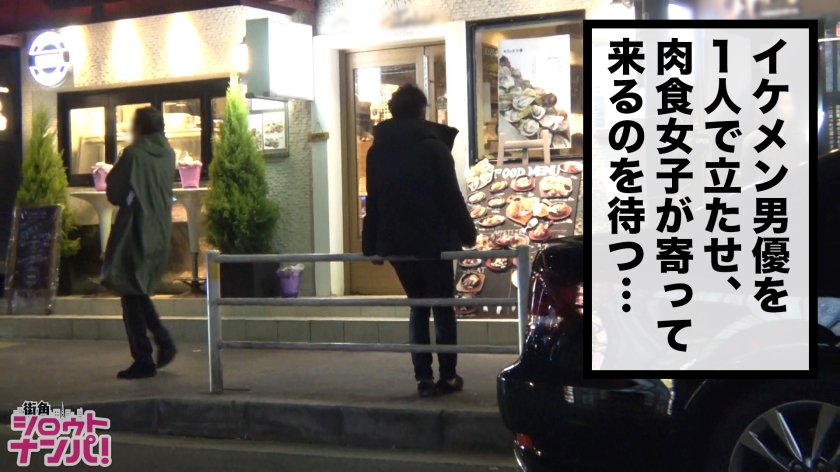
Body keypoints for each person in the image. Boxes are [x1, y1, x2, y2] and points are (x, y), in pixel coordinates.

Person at [362, 84, 477, 397]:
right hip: (434, 241)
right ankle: (448, 376)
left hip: (396, 242)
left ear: (393, 112)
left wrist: (371, 244)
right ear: (422, 112)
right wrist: (467, 233)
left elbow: (374, 200)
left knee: (417, 305)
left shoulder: (377, 150)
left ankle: (423, 379)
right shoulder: (433, 147)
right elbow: (451, 196)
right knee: (442, 305)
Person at [102, 106, 177, 379]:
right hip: (161, 229)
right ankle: (162, 341)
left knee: (130, 292)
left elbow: (114, 192)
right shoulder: (169, 154)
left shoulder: (134, 155)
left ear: (140, 127)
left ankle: (145, 357)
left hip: (135, 230)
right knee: (138, 291)